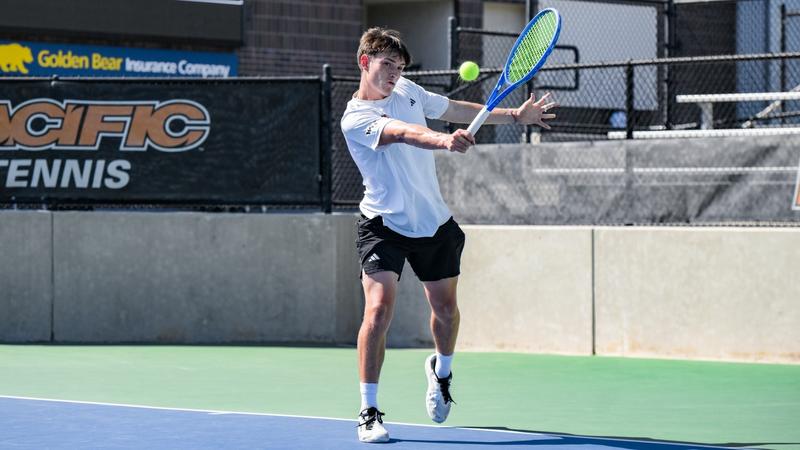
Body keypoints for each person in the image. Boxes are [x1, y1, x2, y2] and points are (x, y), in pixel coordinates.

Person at [340, 27, 556, 443]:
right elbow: (404, 133)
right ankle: (368, 411)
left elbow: (454, 108)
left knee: (445, 313)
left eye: (400, 67)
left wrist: (514, 115)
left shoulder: (408, 90)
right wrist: (443, 141)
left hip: (433, 224)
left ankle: (441, 372)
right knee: (378, 309)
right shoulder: (356, 118)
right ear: (365, 62)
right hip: (382, 224)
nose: (394, 74)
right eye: (387, 65)